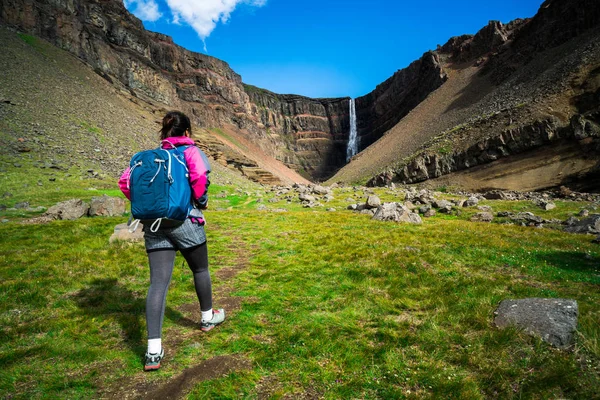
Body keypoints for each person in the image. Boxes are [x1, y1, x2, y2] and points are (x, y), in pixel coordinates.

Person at [118, 111, 225, 371]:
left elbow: (124, 182)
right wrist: (200, 201)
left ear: (164, 133)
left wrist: (151, 205)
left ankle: (153, 351)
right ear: (186, 132)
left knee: (158, 283)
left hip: (154, 225)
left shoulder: (151, 157)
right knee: (200, 268)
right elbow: (199, 177)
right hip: (184, 220)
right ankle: (207, 317)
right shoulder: (190, 151)